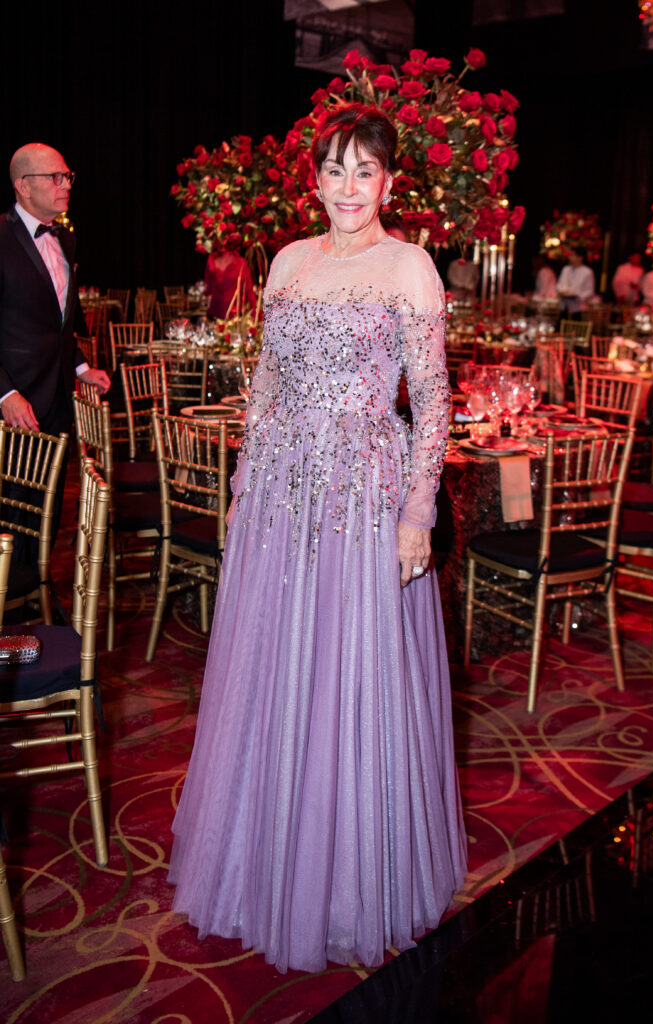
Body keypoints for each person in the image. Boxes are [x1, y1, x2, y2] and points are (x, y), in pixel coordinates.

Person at [169, 103, 467, 973]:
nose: (347, 187)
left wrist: (418, 513)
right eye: (333, 169)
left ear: (389, 181)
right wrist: (242, 482)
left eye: (363, 171)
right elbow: (265, 376)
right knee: (268, 667)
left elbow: (434, 402)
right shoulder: (289, 261)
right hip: (278, 491)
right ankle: (259, 856)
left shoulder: (409, 267)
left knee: (349, 670)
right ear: (314, 179)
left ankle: (343, 879)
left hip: (361, 492)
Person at [0, 143, 109, 558]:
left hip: (58, 396)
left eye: (68, 177)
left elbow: (61, 321)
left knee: (46, 510)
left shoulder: (66, 239)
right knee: (11, 510)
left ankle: (39, 598)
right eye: (55, 177)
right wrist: (6, 395)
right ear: (23, 186)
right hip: (15, 402)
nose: (66, 186)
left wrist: (80, 366)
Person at [204, 248, 256, 318]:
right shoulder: (211, 259)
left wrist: (255, 315)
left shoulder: (240, 262)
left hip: (235, 318)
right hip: (215, 315)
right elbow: (207, 289)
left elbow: (249, 292)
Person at [556, 247, 595, 315]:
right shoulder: (566, 269)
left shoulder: (587, 272)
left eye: (572, 255)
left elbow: (589, 291)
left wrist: (577, 296)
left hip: (578, 307)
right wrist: (562, 291)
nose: (569, 258)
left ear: (580, 257)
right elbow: (559, 284)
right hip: (564, 305)